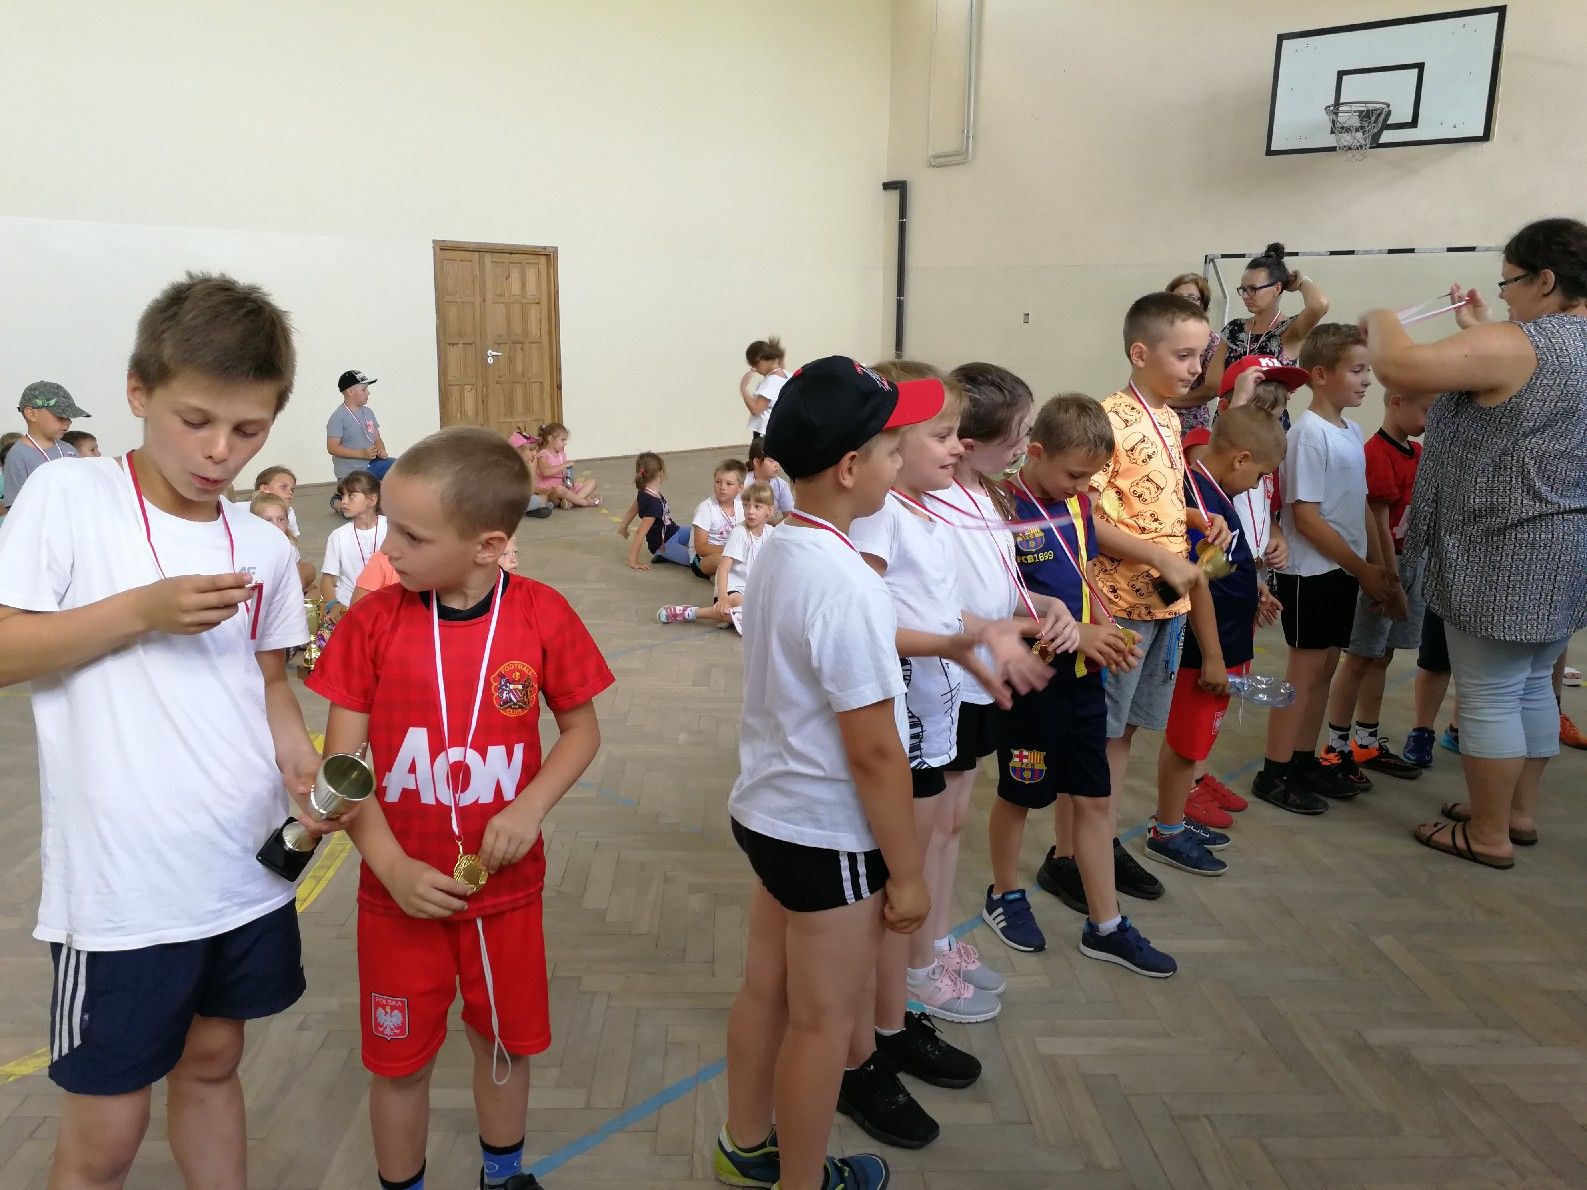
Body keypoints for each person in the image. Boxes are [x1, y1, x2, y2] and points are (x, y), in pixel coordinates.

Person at [0, 272, 331, 1186]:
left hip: (242, 869)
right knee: (106, 1132)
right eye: (195, 420)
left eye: (249, 430)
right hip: (122, 890)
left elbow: (268, 678)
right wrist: (140, 612)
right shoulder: (70, 496)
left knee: (215, 1062)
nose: (220, 451)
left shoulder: (260, 544)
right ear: (139, 393)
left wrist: (297, 754)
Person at [309, 427, 611, 1190]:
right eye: (387, 524)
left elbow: (581, 730)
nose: (389, 547)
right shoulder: (371, 623)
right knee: (398, 1065)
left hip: (505, 897)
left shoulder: (542, 614)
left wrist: (530, 806)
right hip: (397, 900)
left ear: (488, 547)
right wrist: (389, 865)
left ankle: (502, 1175)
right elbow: (343, 771)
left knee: (503, 1045)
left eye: (411, 536)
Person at [715, 355, 940, 1190]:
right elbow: (875, 750)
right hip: (827, 834)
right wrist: (906, 873)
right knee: (820, 1023)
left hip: (768, 814)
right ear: (850, 467)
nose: (900, 459)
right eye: (892, 449)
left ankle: (745, 1145)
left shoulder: (780, 545)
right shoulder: (846, 585)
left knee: (765, 992)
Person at [842, 360, 1049, 1150]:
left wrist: (987, 630)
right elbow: (866, 625)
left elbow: (934, 607)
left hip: (931, 718)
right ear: (887, 447)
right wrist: (961, 641)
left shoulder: (921, 510)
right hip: (897, 728)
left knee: (911, 879)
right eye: (940, 435)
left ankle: (892, 1020)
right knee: (889, 888)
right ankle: (870, 1039)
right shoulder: (877, 521)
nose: (958, 448)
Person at [1364, 217, 1587, 868]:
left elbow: (1397, 365)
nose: (1506, 296)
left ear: (1545, 280)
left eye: (1510, 282)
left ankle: (1487, 834)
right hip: (1561, 547)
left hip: (1502, 549)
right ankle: (1514, 813)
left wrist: (1378, 316)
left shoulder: (1527, 345)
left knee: (1489, 691)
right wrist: (1480, 329)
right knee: (1531, 686)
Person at [982, 394, 1169, 976]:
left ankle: (1105, 925)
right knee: (1020, 795)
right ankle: (1004, 894)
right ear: (1035, 452)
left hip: (1085, 680)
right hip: (1034, 683)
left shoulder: (1080, 505)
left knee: (1093, 798)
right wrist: (1071, 631)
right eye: (1073, 475)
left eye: (1090, 477)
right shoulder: (1002, 507)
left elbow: (1083, 575)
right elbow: (999, 601)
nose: (1083, 487)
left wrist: (1105, 625)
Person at [926, 363, 1079, 971]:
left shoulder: (988, 496)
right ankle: (923, 952)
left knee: (953, 819)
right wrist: (994, 629)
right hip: (947, 684)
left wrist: (1045, 606)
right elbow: (932, 606)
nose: (1023, 447)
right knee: (938, 822)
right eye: (1016, 436)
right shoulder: (935, 506)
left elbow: (1003, 584)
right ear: (970, 443)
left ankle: (936, 941)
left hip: (979, 680)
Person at [1088, 293, 1225, 899]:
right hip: (1120, 609)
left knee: (1125, 736)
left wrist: (1195, 519)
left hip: (1166, 603)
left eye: (1201, 356)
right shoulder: (1107, 420)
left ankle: (1101, 841)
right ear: (1140, 353)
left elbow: (1147, 502)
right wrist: (1159, 555)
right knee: (1103, 736)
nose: (1197, 368)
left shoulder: (1169, 418)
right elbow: (1088, 519)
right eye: (1184, 355)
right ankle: (1083, 847)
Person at [1253, 324, 1403, 816]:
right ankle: (1274, 770)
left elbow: (1360, 507)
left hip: (1342, 570)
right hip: (1310, 572)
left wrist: (1375, 567)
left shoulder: (1351, 431)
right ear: (1320, 375)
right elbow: (1307, 518)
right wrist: (1362, 567)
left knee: (1325, 669)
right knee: (1303, 673)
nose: (1367, 381)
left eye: (1367, 370)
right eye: (1356, 371)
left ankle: (1301, 760)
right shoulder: (1308, 435)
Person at [1156, 407, 1288, 866]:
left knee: (1196, 741)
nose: (1256, 486)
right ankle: (1167, 829)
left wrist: (1252, 591)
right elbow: (1191, 583)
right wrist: (1212, 656)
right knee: (1186, 743)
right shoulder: (1197, 497)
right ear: (1240, 458)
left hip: (1226, 641)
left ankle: (1174, 815)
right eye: (1260, 475)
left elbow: (1218, 565)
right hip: (1204, 650)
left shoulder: (1216, 494)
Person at [1321, 389, 1437, 781]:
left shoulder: (1417, 453)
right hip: (1384, 566)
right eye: (1425, 409)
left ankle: (1365, 741)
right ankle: (1336, 747)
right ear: (1396, 401)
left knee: (1381, 656)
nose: (1429, 420)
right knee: (1359, 656)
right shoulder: (1376, 454)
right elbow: (1379, 526)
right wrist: (1392, 583)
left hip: (1410, 562)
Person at [1202, 244, 1331, 414]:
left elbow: (1319, 304)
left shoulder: (1289, 330)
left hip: (1269, 420)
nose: (1245, 295)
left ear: (1277, 288)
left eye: (1253, 289)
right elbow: (1212, 381)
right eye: (1243, 289)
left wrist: (1302, 282)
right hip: (1231, 417)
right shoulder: (1234, 328)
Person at [658, 481, 777, 628]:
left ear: (769, 511)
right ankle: (691, 612)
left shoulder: (771, 533)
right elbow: (723, 568)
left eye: (757, 506)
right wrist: (723, 598)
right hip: (732, 588)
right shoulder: (740, 533)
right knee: (750, 615)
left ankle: (727, 616)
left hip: (751, 588)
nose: (750, 511)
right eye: (746, 505)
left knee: (764, 615)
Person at [1, 381, 90, 511]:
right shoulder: (17, 456)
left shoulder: (69, 450)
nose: (68, 422)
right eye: (60, 416)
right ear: (31, 414)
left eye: (69, 416)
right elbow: (17, 510)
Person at [321, 470, 387, 618]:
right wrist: (334, 604)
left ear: (372, 500)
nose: (344, 501)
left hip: (388, 601)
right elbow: (327, 580)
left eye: (351, 495)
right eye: (342, 496)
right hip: (348, 603)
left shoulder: (391, 528)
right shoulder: (338, 536)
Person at [1164, 272, 1222, 436]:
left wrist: (1170, 401)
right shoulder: (1159, 337)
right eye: (1178, 297)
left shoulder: (1212, 341)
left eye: (1191, 298)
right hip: (1154, 414)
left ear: (1202, 304)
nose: (1184, 303)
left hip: (1191, 421)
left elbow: (1211, 389)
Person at [623, 451, 692, 570]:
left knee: (699, 530)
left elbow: (632, 510)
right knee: (694, 559)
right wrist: (633, 561)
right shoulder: (653, 504)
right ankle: (663, 555)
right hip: (664, 544)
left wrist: (623, 527)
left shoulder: (645, 491)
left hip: (674, 531)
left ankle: (667, 555)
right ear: (660, 473)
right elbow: (640, 533)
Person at [327, 369, 393, 483]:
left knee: (401, 467)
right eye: (364, 389)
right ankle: (345, 492)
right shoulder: (338, 417)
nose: (368, 392)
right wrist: (361, 454)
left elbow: (377, 438)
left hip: (371, 464)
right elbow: (332, 448)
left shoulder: (368, 412)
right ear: (350, 391)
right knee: (397, 471)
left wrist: (381, 450)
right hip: (351, 472)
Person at [690, 458, 746, 579]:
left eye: (729, 484)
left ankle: (724, 575)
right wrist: (728, 549)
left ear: (740, 488)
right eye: (718, 482)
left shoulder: (742, 507)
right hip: (703, 560)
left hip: (732, 553)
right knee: (724, 560)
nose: (722, 487)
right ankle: (723, 577)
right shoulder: (705, 508)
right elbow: (700, 548)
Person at [529, 422, 600, 508]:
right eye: (562, 440)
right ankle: (584, 502)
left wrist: (569, 479)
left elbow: (563, 474)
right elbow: (545, 472)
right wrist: (564, 465)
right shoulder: (543, 454)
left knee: (592, 482)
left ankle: (570, 502)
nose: (565, 443)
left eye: (565, 440)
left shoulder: (561, 454)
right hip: (551, 491)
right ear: (550, 438)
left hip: (563, 486)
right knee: (560, 490)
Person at [740, 337, 788, 455]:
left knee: (759, 461)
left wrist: (743, 388)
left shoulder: (769, 383)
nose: (756, 370)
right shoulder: (786, 375)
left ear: (759, 362)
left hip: (764, 433)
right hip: (777, 429)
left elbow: (756, 409)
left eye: (754, 367)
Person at [747, 441, 795, 522]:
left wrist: (773, 523)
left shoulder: (781, 485)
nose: (777, 465)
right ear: (756, 462)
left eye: (778, 460)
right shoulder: (743, 483)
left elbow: (790, 516)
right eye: (771, 461)